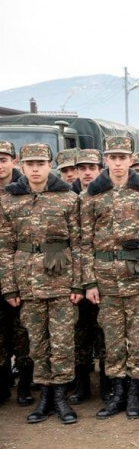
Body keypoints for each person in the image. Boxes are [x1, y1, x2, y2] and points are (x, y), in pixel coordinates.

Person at [0, 143, 82, 424]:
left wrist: (78, 284)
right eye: (30, 164)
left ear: (50, 165)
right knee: (37, 342)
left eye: (41, 163)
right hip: (28, 283)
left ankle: (60, 396)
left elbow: (79, 245)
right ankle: (45, 396)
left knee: (62, 342)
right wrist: (9, 287)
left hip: (61, 281)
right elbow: (5, 248)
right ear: (21, 165)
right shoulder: (10, 201)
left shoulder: (68, 199)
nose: (35, 169)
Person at [81, 136, 139, 420]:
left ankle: (135, 392)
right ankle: (117, 393)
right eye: (113, 157)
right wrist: (89, 282)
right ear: (106, 159)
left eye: (122, 157)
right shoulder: (92, 196)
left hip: (137, 277)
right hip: (106, 279)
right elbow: (84, 243)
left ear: (131, 159)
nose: (118, 162)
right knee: (112, 339)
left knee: (137, 337)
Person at [69, 149, 105, 404]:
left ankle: (106, 383)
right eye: (82, 168)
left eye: (92, 167)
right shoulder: (71, 199)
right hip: (75, 277)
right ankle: (81, 384)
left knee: (103, 332)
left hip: (100, 276)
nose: (87, 172)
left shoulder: (104, 197)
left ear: (100, 169)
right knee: (79, 334)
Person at [0, 141, 33, 407]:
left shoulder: (25, 190)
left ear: (14, 161)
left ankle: (25, 384)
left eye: (3, 159)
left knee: (24, 332)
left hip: (23, 271)